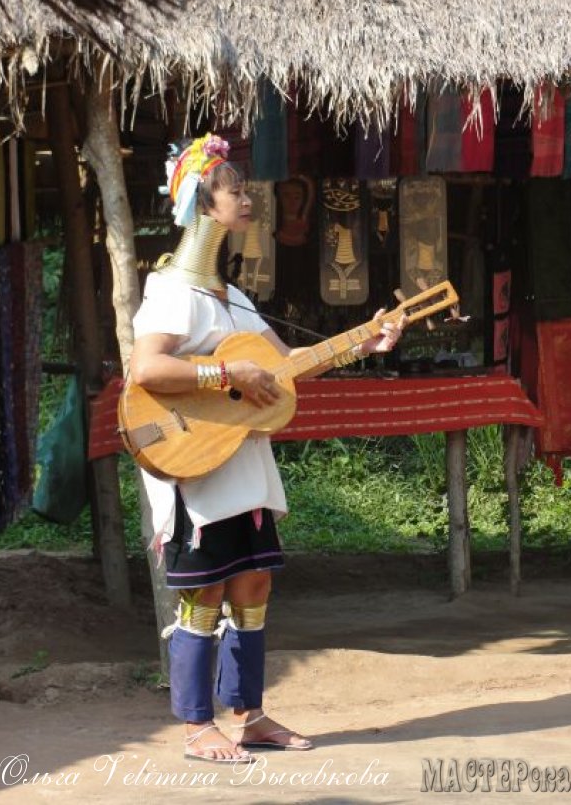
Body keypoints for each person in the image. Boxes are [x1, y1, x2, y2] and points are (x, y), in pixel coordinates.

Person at [129, 133, 405, 764]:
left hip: (244, 463)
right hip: (197, 463)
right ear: (204, 203)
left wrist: (362, 343)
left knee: (253, 585)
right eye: (235, 190)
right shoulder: (171, 291)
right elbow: (147, 370)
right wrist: (226, 374)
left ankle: (249, 716)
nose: (248, 198)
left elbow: (286, 364)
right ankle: (197, 726)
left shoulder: (233, 298)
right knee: (205, 593)